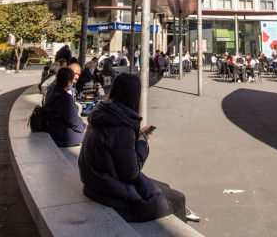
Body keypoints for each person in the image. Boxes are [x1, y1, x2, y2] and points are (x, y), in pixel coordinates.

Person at [78, 73, 199, 222]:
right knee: (178, 199)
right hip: (110, 189)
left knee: (165, 187)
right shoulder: (122, 127)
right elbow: (130, 173)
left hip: (96, 183)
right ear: (135, 95)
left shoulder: (102, 114)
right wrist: (142, 144)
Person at [42, 66, 86, 147]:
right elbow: (73, 121)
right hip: (59, 134)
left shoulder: (51, 91)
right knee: (89, 136)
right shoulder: (65, 98)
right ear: (69, 82)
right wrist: (84, 128)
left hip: (50, 127)